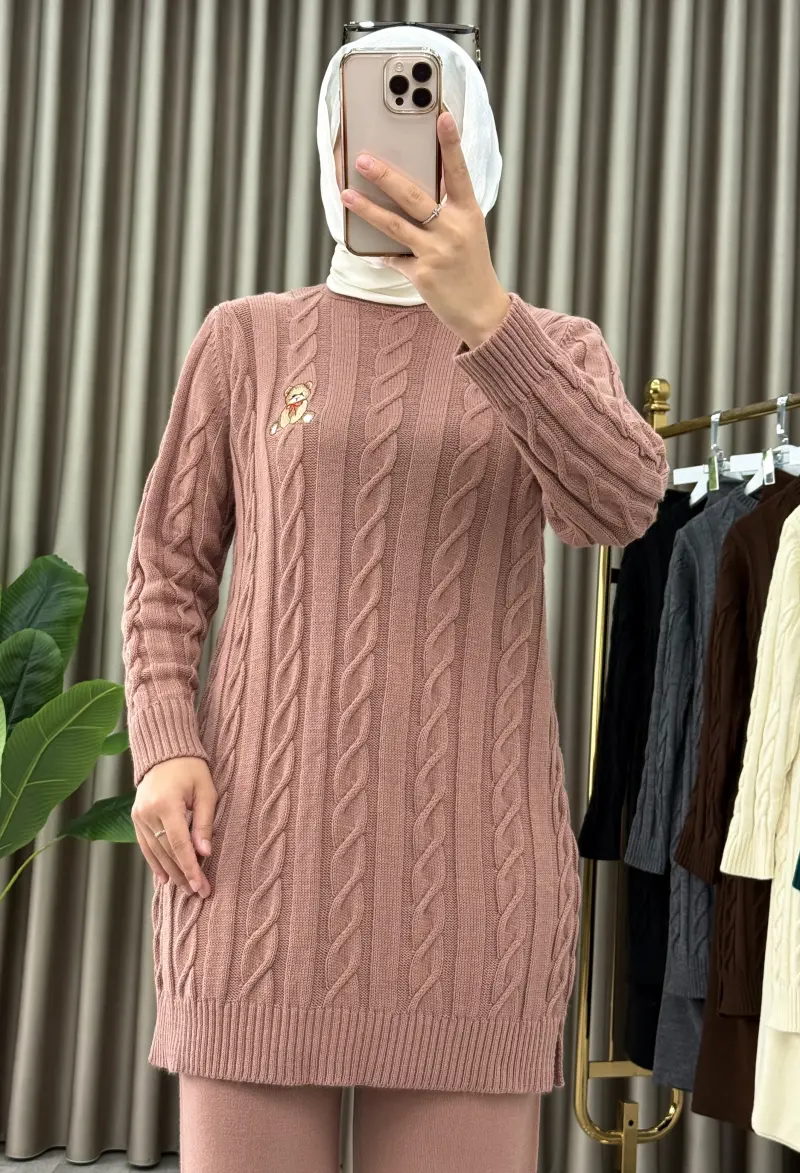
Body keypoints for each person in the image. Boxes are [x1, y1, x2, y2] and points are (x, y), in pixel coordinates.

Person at [121, 25, 668, 1173]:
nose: (379, 152)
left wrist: (486, 321)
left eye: (420, 119)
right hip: (254, 864)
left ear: (474, 148)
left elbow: (619, 506)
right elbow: (167, 568)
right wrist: (165, 743)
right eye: (361, 120)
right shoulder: (246, 341)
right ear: (329, 143)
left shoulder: (551, 346)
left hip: (471, 877)